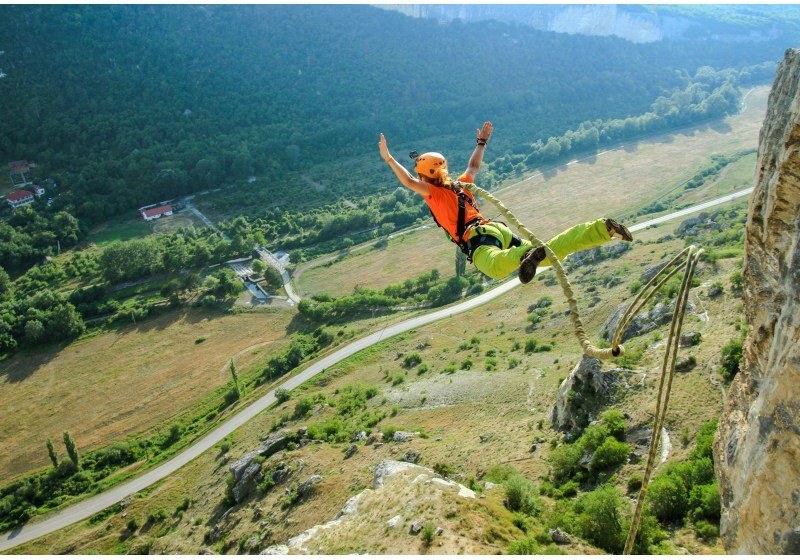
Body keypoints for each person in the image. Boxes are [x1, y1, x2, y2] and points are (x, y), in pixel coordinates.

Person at [378, 121, 633, 283]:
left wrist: (390, 159)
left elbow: (410, 181)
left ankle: (526, 254)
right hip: (496, 230)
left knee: (496, 267)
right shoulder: (460, 185)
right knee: (550, 254)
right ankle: (602, 229)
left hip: (478, 238)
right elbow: (474, 165)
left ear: (425, 176)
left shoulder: (434, 193)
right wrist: (482, 142)